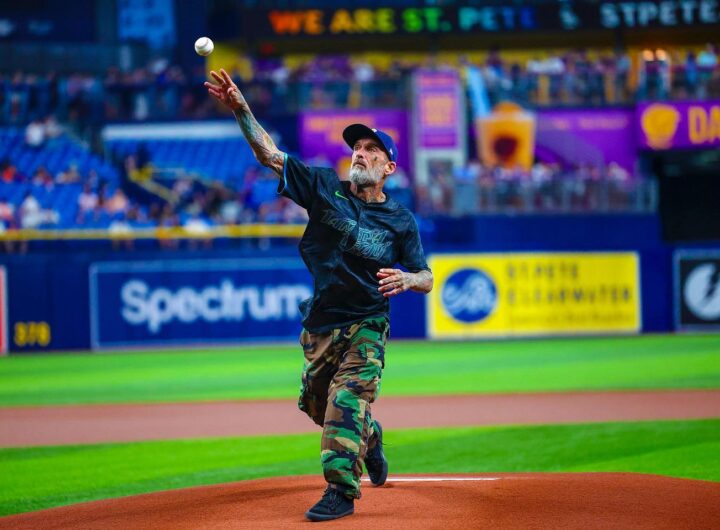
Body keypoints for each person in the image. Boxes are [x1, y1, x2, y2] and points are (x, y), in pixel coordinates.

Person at [205, 69, 433, 522]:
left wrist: (409, 280)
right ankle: (370, 437)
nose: (360, 154)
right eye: (357, 148)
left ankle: (341, 492)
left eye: (372, 150)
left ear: (389, 167)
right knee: (317, 405)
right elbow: (270, 155)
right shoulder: (325, 187)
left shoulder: (400, 221)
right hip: (321, 326)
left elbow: (426, 275)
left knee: (346, 402)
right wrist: (242, 109)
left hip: (368, 323)